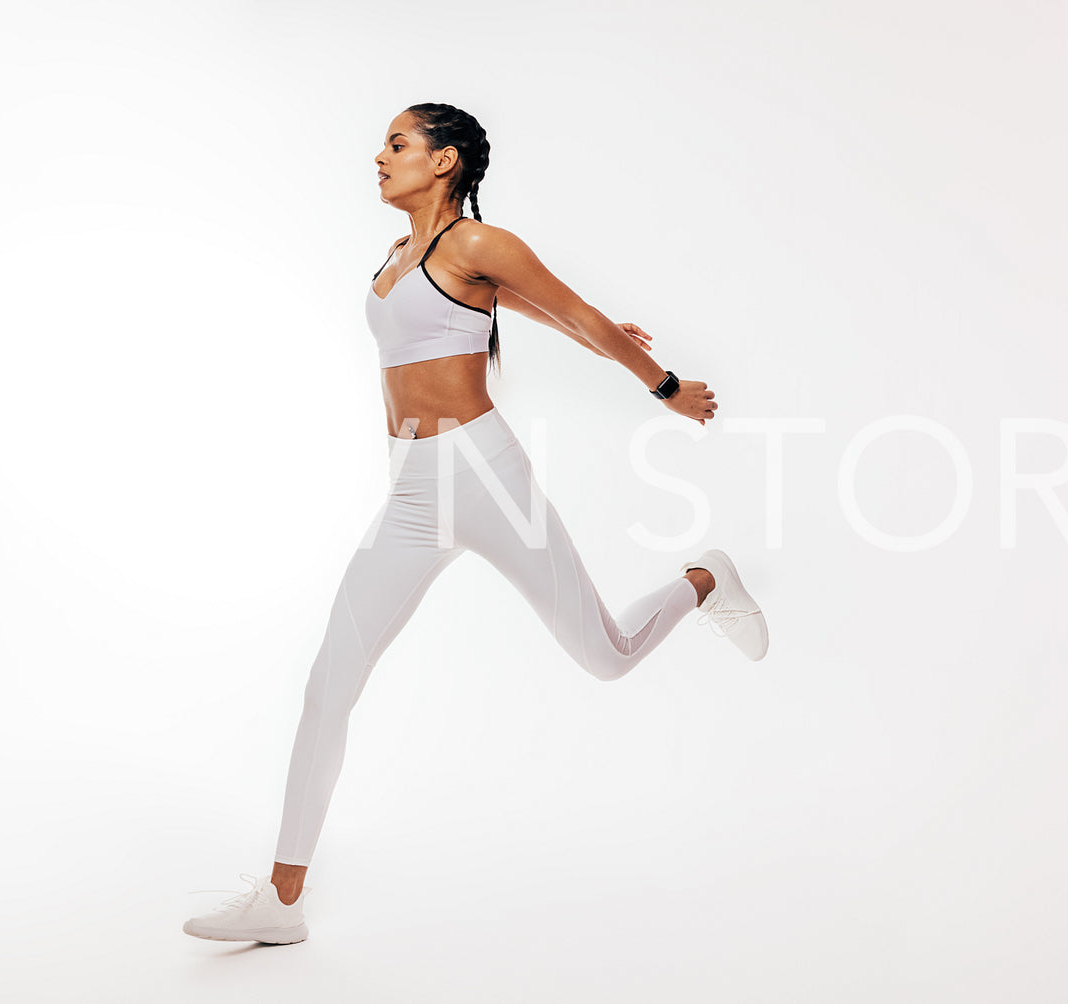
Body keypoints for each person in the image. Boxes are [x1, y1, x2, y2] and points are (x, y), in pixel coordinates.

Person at [184, 102, 768, 945]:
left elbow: (576, 314)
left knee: (604, 658)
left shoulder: (475, 242)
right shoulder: (398, 254)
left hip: (482, 477)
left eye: (397, 143)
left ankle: (706, 577)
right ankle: (281, 902)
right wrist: (560, 323)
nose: (378, 156)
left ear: (446, 159)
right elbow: (492, 308)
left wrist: (665, 385)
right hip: (412, 494)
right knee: (328, 683)